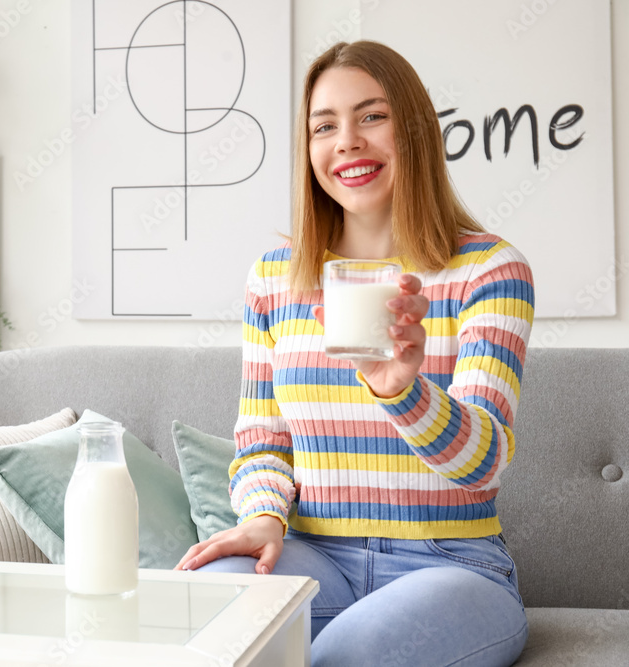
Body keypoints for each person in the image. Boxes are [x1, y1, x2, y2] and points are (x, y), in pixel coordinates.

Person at [174, 40, 535, 666]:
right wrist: (264, 518)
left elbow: (484, 462)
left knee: (352, 653)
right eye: (325, 125)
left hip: (451, 565)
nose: (346, 141)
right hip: (316, 556)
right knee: (207, 615)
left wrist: (402, 390)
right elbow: (261, 440)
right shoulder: (275, 278)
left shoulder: (488, 270)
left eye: (372, 116)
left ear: (415, 129)